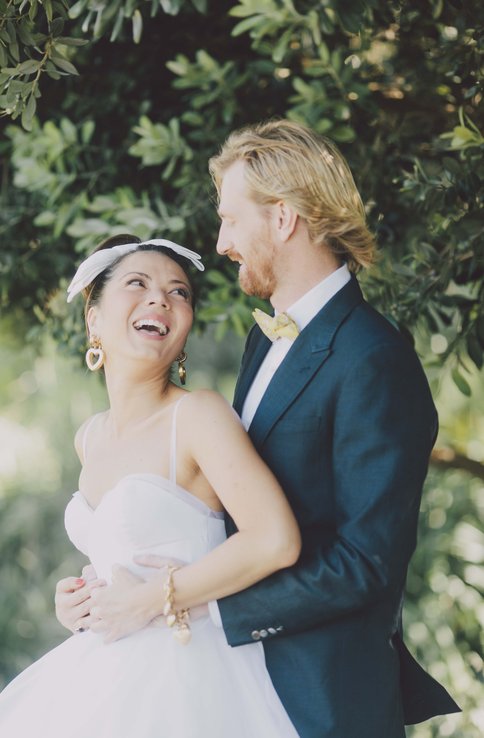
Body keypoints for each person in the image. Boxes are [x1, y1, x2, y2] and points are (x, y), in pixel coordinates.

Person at [55, 120, 460, 737]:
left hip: (321, 698)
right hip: (211, 684)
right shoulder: (262, 340)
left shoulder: (374, 357)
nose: (221, 243)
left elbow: (365, 565)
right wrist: (103, 592)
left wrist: (185, 602)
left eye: (231, 219)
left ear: (283, 219)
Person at [0, 235, 302, 737]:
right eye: (137, 283)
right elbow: (124, 553)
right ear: (93, 319)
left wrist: (151, 598)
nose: (161, 299)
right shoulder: (89, 438)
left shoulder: (198, 414)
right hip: (102, 675)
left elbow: (275, 539)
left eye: (179, 292)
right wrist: (80, 600)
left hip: (189, 670)